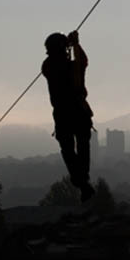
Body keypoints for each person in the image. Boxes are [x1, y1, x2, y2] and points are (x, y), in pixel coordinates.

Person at [42, 30, 95, 202]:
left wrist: (70, 44)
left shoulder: (48, 67)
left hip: (62, 114)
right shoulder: (72, 68)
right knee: (82, 146)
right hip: (78, 111)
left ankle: (81, 182)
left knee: (68, 150)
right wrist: (75, 44)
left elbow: (57, 62)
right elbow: (83, 62)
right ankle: (83, 180)